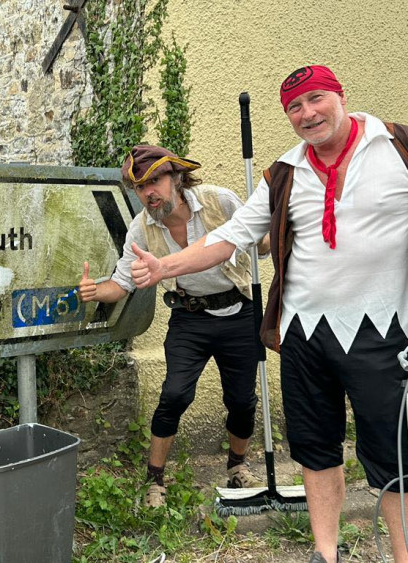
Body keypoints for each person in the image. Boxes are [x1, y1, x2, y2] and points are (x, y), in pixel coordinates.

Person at [130, 65, 408, 563]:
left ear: (340, 96)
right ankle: (327, 554)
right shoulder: (284, 171)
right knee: (316, 452)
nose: (307, 114)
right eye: (295, 108)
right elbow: (228, 238)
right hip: (305, 335)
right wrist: (164, 266)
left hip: (384, 331)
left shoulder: (398, 148)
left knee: (394, 459)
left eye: (316, 99)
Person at [78, 145, 268, 508]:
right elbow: (122, 284)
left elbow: (260, 246)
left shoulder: (219, 201)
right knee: (175, 394)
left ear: (176, 178)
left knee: (241, 400)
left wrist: (270, 231)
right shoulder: (140, 230)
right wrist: (94, 291)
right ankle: (155, 480)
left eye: (155, 181)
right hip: (190, 318)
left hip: (240, 312)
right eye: (139, 186)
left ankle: (237, 467)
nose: (149, 192)